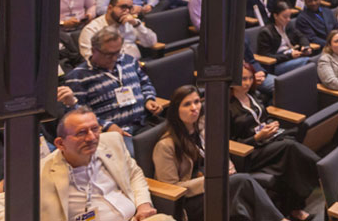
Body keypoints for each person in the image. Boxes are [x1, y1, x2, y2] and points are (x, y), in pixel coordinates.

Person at [153, 86, 285, 221]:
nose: (194, 108)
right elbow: (171, 188)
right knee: (242, 183)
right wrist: (210, 180)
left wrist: (228, 166)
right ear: (176, 110)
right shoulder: (166, 146)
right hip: (192, 199)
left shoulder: (203, 129)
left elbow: (220, 152)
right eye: (187, 104)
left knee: (241, 200)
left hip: (215, 185)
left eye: (197, 102)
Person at [40, 107, 172, 221]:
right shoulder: (42, 174)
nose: (91, 137)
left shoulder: (112, 142)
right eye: (81, 132)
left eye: (95, 129)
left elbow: (134, 174)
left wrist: (143, 204)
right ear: (60, 143)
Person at [229, 63, 319, 221]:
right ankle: (321, 170)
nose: (248, 83)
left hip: (266, 142)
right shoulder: (226, 107)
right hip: (247, 153)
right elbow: (230, 142)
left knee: (291, 156)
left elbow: (263, 118)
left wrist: (271, 124)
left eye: (250, 78)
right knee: (289, 147)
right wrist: (257, 138)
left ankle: (295, 208)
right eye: (243, 79)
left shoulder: (253, 96)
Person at [63, 27, 163, 153]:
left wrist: (149, 99)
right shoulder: (78, 77)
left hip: (144, 122)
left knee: (173, 142)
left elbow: (145, 83)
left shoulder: (129, 61)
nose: (114, 58)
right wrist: (106, 125)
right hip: (114, 132)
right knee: (132, 156)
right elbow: (78, 112)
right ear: (94, 50)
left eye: (117, 52)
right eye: (109, 54)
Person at [79, 0, 159, 61]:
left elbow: (151, 42)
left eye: (130, 8)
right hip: (112, 68)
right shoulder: (91, 29)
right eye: (123, 7)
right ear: (110, 8)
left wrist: (137, 25)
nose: (127, 11)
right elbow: (91, 58)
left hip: (138, 63)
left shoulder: (132, 22)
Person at [255, 1, 313, 75]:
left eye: (289, 16)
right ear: (275, 16)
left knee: (312, 61)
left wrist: (305, 46)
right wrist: (289, 56)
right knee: (309, 62)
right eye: (285, 17)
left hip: (291, 56)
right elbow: (265, 55)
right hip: (277, 63)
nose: (288, 19)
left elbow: (301, 36)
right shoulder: (266, 32)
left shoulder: (288, 26)